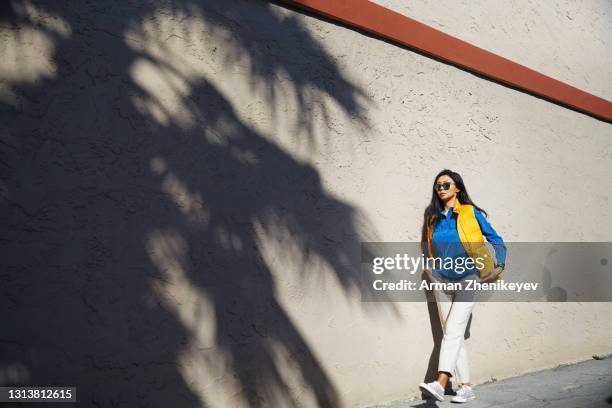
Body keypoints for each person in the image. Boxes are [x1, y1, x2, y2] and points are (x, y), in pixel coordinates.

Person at [418, 169, 506, 403]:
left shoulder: (470, 212)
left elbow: (496, 239)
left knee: (455, 329)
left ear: (457, 187)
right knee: (451, 333)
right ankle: (466, 386)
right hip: (440, 279)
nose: (441, 189)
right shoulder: (432, 217)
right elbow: (428, 247)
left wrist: (499, 265)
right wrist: (429, 269)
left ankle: (440, 383)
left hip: (468, 276)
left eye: (446, 184)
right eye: (438, 186)